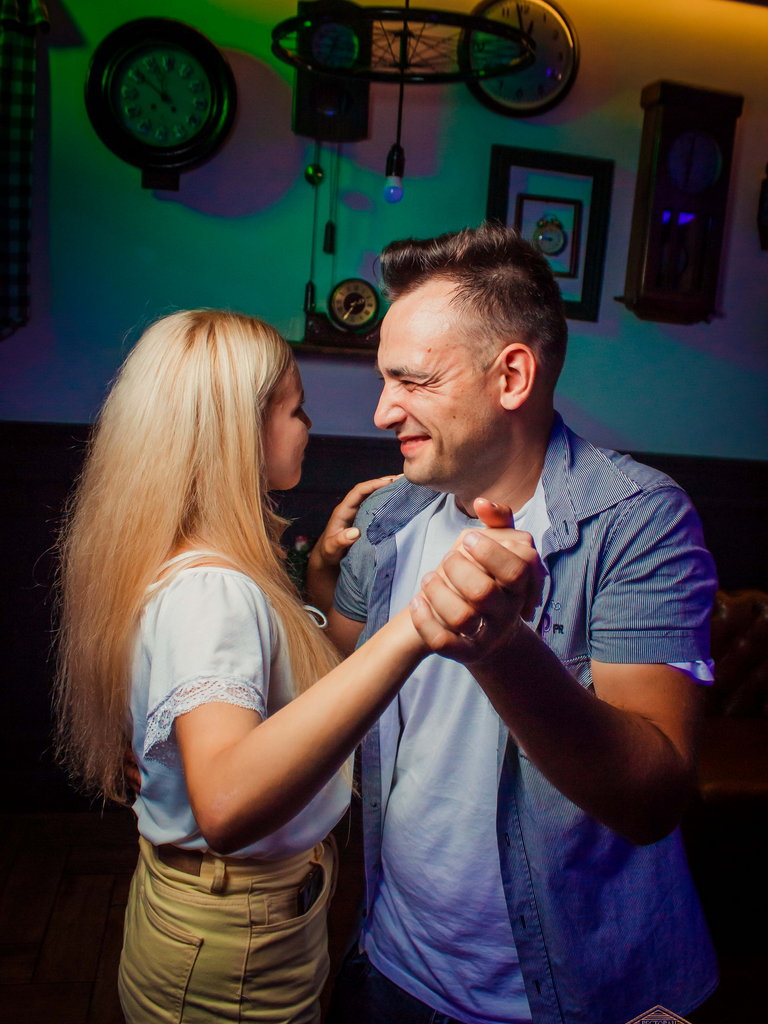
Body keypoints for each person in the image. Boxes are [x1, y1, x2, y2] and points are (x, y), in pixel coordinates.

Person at [309, 223, 719, 1024]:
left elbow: (652, 796)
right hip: (390, 959)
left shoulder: (638, 520)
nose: (384, 410)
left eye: (413, 380)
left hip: (569, 996)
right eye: (384, 379)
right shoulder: (390, 516)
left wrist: (502, 652)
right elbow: (332, 680)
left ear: (512, 376)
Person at [52, 308, 494, 1024]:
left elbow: (278, 709)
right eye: (295, 409)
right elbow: (227, 805)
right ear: (237, 431)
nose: (309, 426)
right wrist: (418, 625)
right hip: (236, 943)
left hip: (229, 923)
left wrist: (319, 582)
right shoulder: (212, 589)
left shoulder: (186, 560)